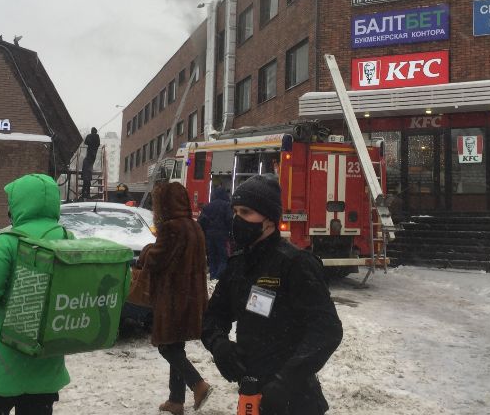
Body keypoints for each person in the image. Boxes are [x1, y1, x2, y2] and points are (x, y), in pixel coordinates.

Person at [202, 175, 343, 415]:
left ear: (269, 218)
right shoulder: (238, 265)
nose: (237, 219)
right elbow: (213, 316)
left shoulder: (295, 264)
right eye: (235, 211)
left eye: (246, 212)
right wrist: (219, 344)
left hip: (295, 398)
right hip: (251, 392)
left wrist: (286, 379)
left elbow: (327, 330)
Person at [0, 173, 71, 414]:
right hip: (45, 363)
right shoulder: (67, 239)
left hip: (0, 363)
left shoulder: (8, 242)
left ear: (21, 204)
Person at [143, 181, 212, 414]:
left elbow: (157, 259)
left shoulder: (171, 228)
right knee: (176, 346)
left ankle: (198, 384)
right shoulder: (194, 226)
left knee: (166, 347)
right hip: (191, 297)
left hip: (173, 298)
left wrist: (145, 252)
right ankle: (176, 400)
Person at [198, 186, 233, 280]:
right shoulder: (227, 206)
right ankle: (219, 277)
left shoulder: (208, 206)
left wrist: (205, 232)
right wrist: (231, 233)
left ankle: (213, 276)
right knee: (223, 257)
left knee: (212, 256)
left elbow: (201, 221)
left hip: (209, 235)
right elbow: (230, 220)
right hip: (222, 235)